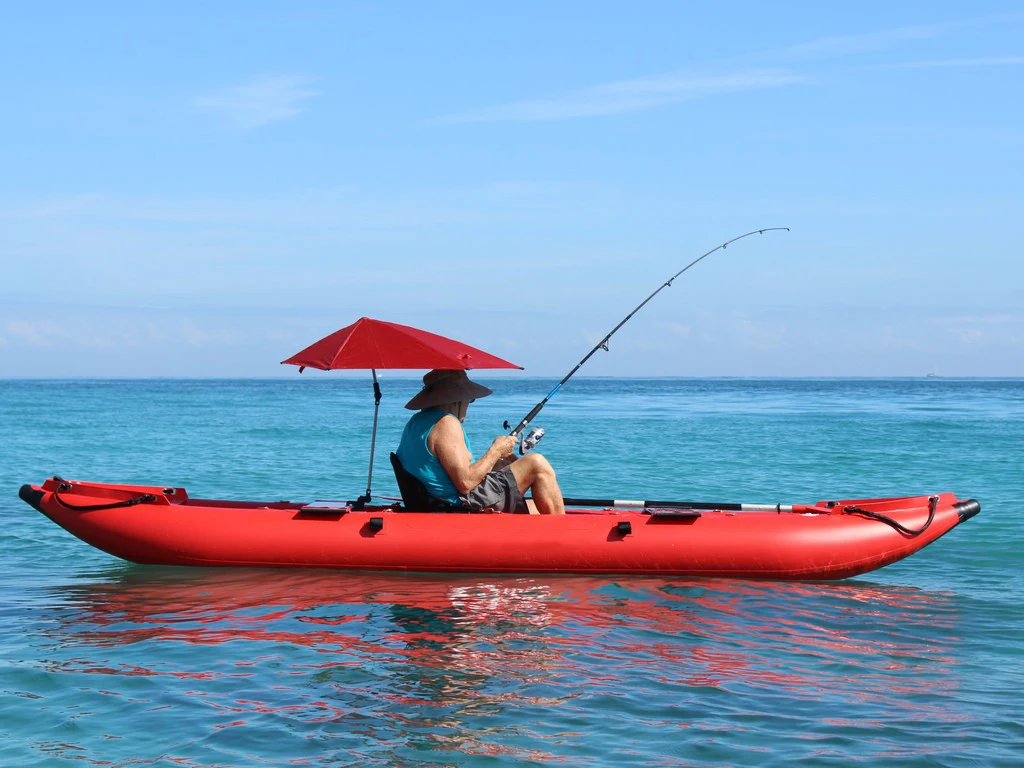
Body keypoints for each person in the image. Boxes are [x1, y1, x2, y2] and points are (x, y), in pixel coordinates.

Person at [397, 369, 565, 515]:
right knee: (536, 463)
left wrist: (493, 464)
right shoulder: (446, 423)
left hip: (433, 501)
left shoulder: (416, 422)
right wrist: (496, 451)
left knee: (531, 501)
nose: (468, 405)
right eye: (469, 400)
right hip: (460, 504)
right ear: (457, 399)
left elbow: (445, 473)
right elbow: (465, 484)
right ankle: (563, 537)